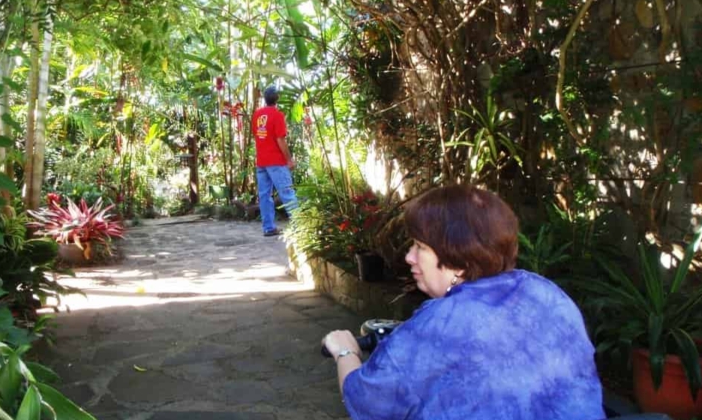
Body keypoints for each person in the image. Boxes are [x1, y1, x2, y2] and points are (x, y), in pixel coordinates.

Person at [321, 185, 604, 420]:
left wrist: (346, 352)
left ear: (457, 260)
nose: (409, 257)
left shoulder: (439, 324)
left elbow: (367, 403)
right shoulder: (545, 292)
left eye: (420, 247)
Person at [252, 86, 298, 237]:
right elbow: (280, 139)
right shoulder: (277, 115)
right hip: (276, 161)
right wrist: (289, 160)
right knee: (287, 192)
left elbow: (258, 136)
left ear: (265, 98)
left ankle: (268, 227)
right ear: (277, 98)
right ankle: (300, 227)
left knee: (265, 195)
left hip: (261, 161)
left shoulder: (257, 115)